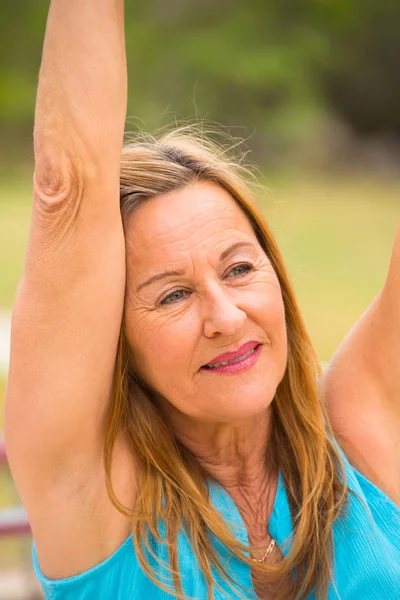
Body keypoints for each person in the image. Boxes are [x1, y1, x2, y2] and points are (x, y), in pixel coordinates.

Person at [4, 1, 399, 599]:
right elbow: (67, 187)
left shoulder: (358, 424)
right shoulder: (95, 497)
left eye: (239, 268)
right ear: (119, 346)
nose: (225, 317)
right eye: (173, 296)